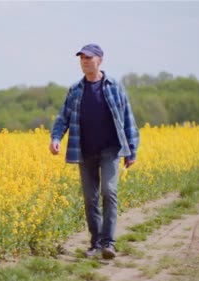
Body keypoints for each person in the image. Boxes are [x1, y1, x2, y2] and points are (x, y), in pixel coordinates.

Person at [49, 44, 139, 259]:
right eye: (82, 58)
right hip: (84, 151)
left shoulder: (114, 87)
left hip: (111, 149)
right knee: (90, 198)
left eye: (89, 58)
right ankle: (95, 244)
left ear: (100, 60)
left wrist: (132, 150)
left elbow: (127, 119)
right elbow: (63, 117)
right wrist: (55, 138)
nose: (85, 61)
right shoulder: (76, 90)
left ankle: (109, 243)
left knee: (109, 191)